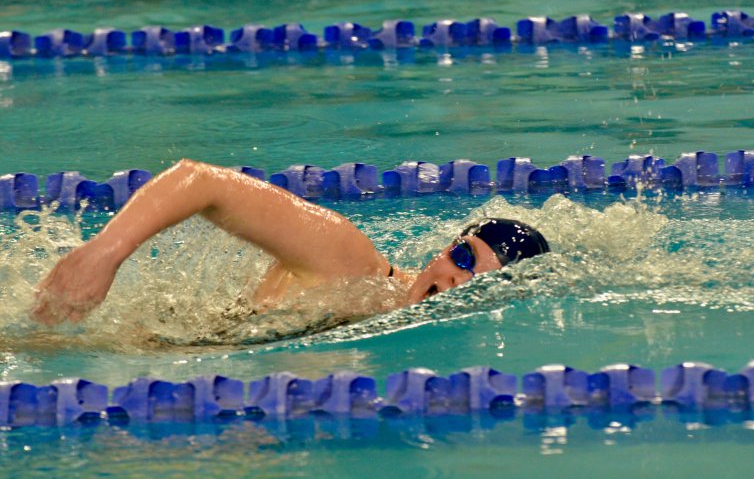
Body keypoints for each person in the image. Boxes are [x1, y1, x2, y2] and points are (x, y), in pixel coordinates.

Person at [31, 159, 550, 326]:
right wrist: (104, 252)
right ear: (443, 249)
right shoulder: (348, 259)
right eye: (462, 256)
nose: (457, 277)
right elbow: (202, 181)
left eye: (477, 278)